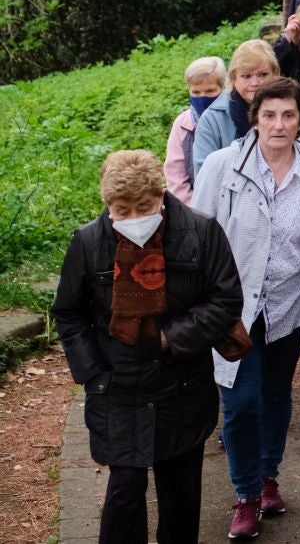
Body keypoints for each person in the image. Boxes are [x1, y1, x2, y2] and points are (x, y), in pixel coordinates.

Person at [52, 150, 242, 544]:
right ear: (107, 206)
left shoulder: (201, 232)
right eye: (123, 210)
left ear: (162, 195)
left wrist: (170, 338)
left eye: (145, 206)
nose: (135, 218)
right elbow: (68, 313)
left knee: (180, 495)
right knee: (125, 490)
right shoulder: (89, 242)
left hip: (183, 384)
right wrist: (93, 371)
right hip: (118, 386)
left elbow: (225, 301)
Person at [193, 78, 300, 538]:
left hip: (288, 307)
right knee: (239, 404)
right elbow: (196, 237)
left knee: (276, 396)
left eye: (289, 115)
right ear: (254, 118)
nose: (278, 125)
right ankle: (245, 495)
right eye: (269, 115)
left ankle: (267, 476)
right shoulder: (223, 166)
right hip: (233, 310)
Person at [193, 40, 280, 176]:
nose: (255, 83)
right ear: (233, 78)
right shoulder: (212, 119)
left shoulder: (290, 109)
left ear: (275, 74)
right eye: (246, 76)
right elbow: (204, 174)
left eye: (263, 75)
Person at [165, 56, 226, 207]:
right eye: (196, 92)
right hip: (194, 209)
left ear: (223, 88)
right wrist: (195, 213)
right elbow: (176, 177)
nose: (202, 97)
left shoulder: (232, 119)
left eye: (210, 91)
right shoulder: (182, 124)